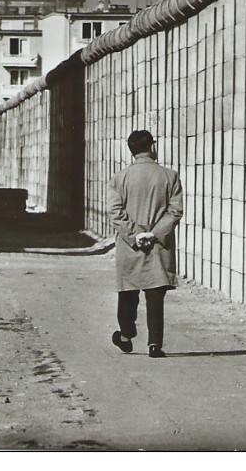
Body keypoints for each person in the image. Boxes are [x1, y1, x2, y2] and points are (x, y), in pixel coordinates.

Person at [107, 129, 183, 358]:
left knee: (128, 292)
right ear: (152, 147)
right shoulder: (170, 176)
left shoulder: (120, 178)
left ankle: (126, 335)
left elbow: (115, 212)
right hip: (159, 245)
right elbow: (175, 211)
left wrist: (135, 235)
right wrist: (154, 233)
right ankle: (154, 344)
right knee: (155, 294)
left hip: (130, 246)